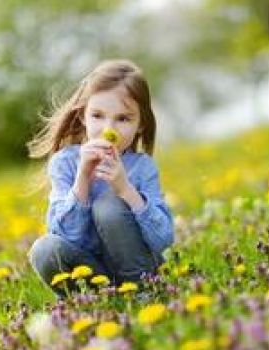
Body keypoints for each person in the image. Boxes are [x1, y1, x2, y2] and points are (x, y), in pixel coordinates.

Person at [26, 59, 174, 298]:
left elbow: (163, 238)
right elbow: (64, 236)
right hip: (93, 271)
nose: (109, 129)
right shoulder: (65, 163)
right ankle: (96, 300)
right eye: (98, 116)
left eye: (123, 119)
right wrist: (83, 177)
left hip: (137, 268)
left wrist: (125, 189)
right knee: (44, 249)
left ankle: (142, 292)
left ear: (140, 125)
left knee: (107, 206)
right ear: (83, 116)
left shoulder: (142, 167)